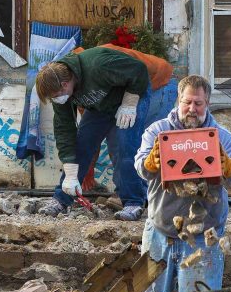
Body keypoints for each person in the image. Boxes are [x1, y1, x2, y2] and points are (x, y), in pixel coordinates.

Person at [134, 75, 231, 292]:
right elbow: (140, 167)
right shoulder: (158, 132)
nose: (192, 109)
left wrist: (230, 165)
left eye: (198, 103)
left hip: (204, 236)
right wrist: (150, 162)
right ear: (179, 100)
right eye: (187, 102)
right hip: (161, 231)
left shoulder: (221, 138)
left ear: (207, 104)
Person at [34, 45, 166, 221]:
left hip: (132, 92)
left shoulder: (98, 64)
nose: (56, 99)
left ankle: (133, 202)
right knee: (82, 145)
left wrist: (129, 102)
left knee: (125, 146)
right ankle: (61, 199)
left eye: (57, 95)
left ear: (65, 84)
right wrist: (71, 173)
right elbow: (65, 131)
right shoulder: (61, 94)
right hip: (102, 105)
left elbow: (139, 70)